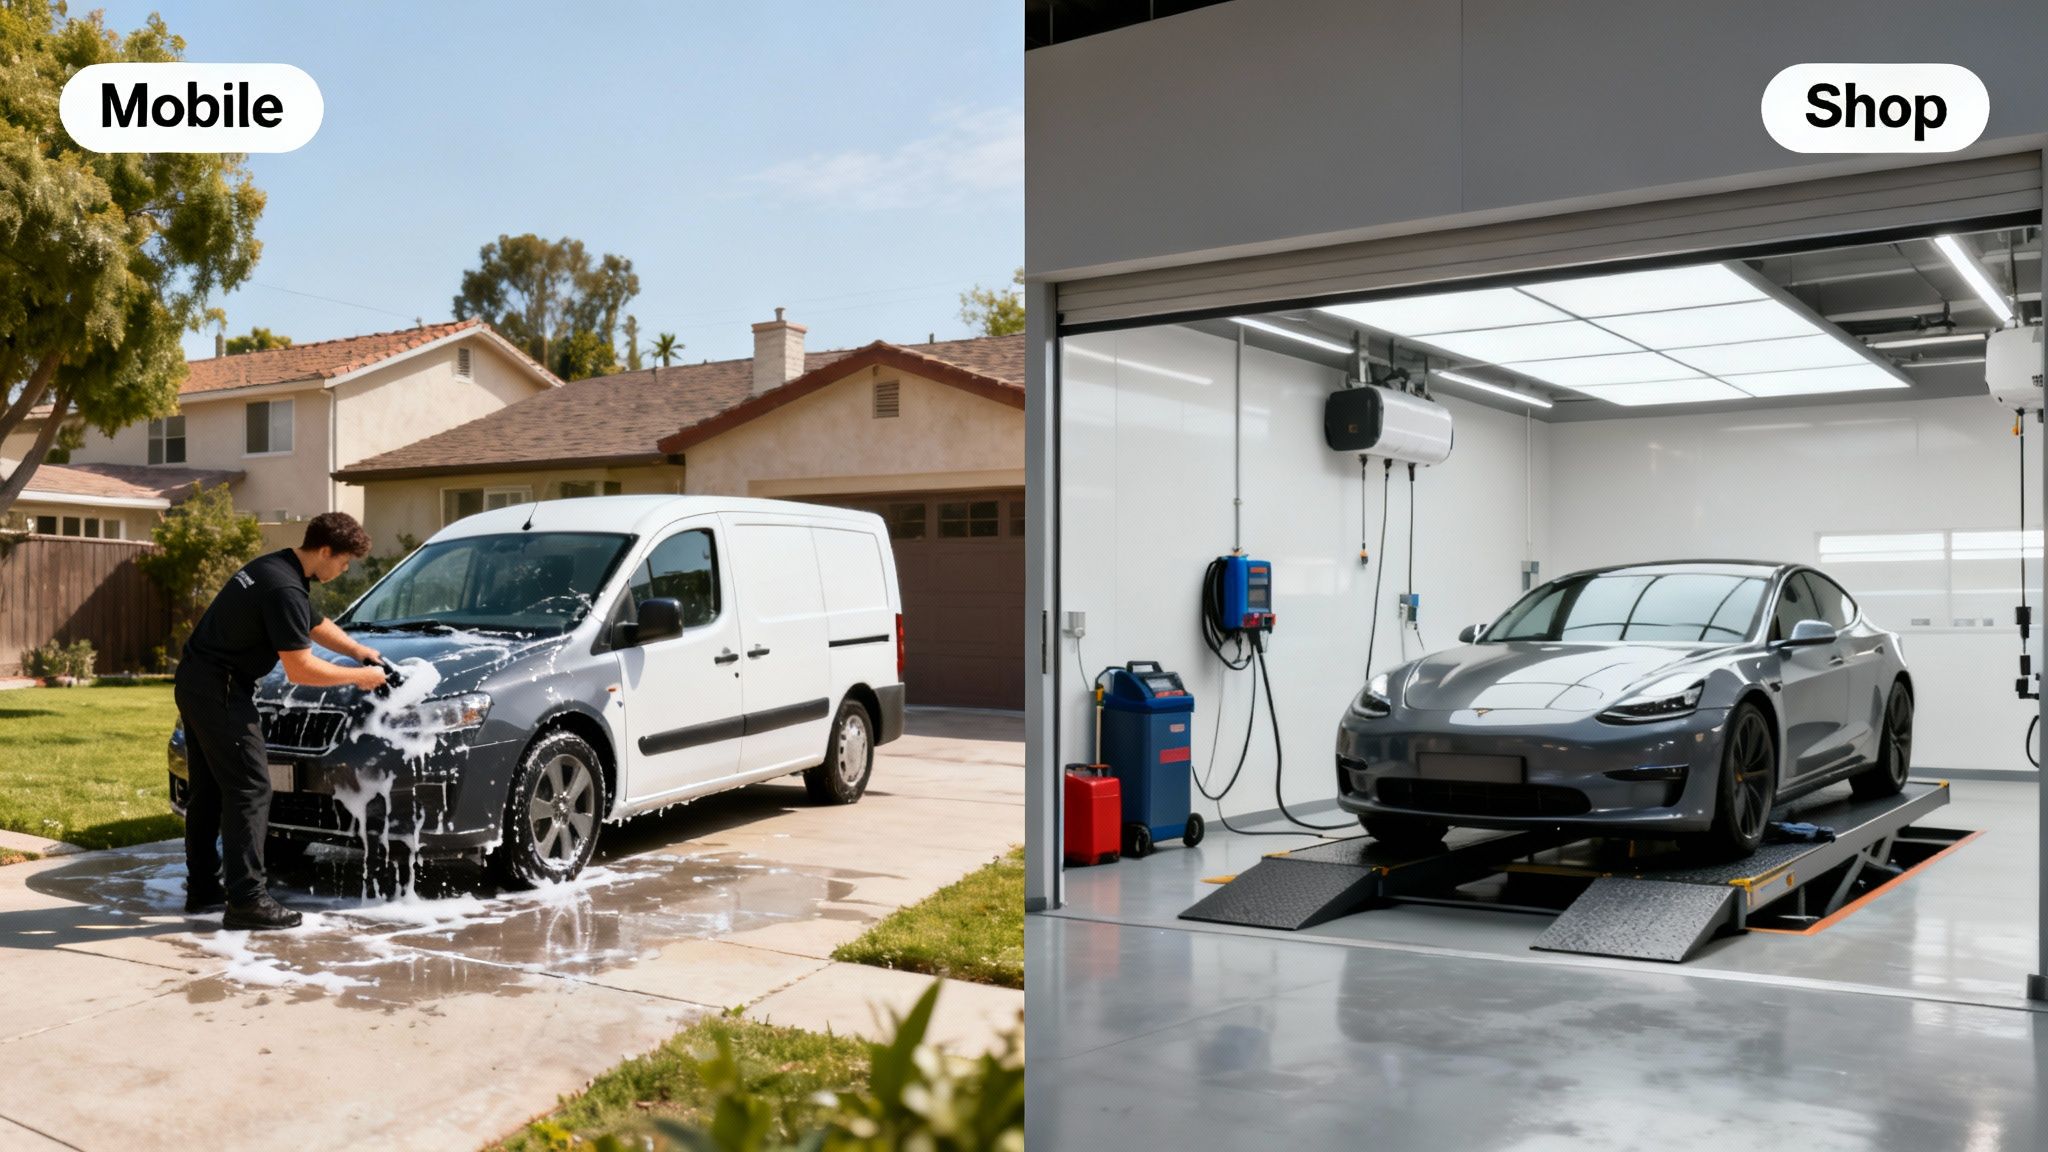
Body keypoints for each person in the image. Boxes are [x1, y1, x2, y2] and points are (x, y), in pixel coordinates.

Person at [176, 511, 388, 929]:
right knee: (251, 789)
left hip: (197, 680)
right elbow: (301, 669)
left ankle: (203, 888)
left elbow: (312, 623)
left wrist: (356, 650)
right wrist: (360, 676)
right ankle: (247, 901)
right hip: (221, 688)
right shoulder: (283, 587)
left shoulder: (275, 567)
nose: (345, 570)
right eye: (344, 562)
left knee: (211, 790)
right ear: (325, 550)